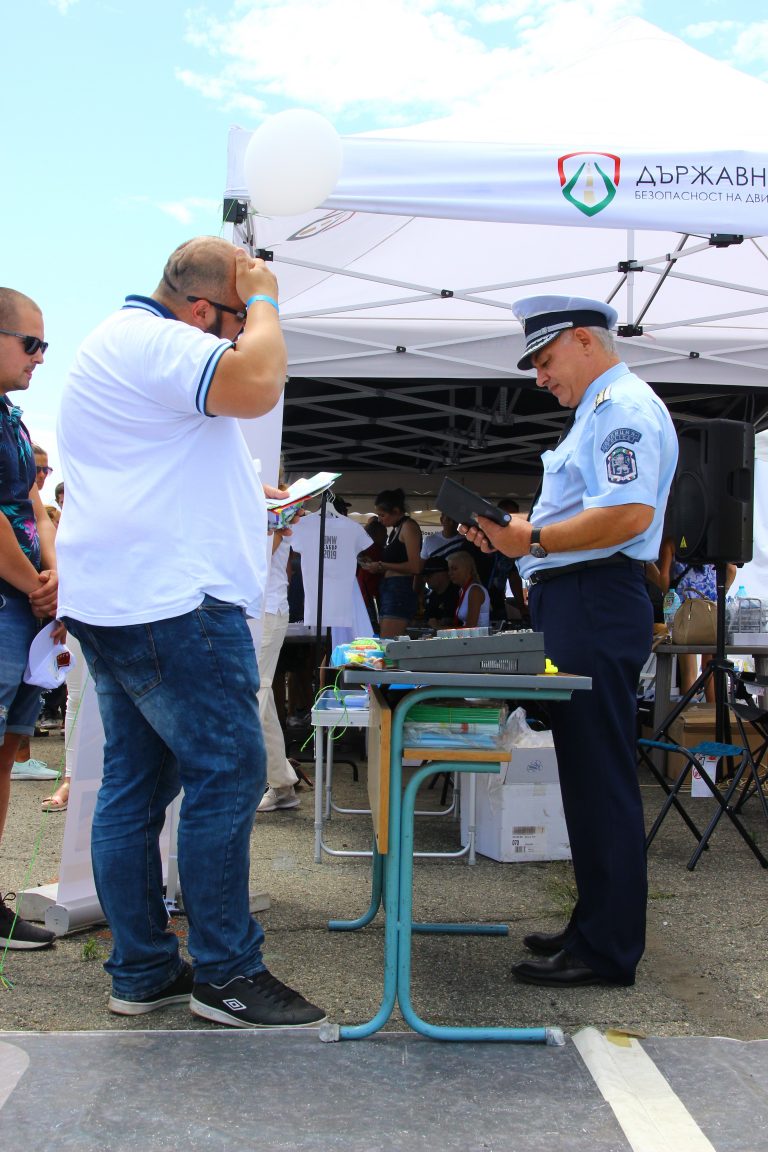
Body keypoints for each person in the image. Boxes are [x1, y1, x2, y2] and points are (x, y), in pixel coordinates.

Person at [55, 237, 325, 1028]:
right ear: (206, 307)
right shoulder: (158, 339)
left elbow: (170, 458)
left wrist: (251, 497)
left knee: (138, 787)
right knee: (231, 770)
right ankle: (227, 973)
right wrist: (268, 296)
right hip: (171, 602)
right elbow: (257, 384)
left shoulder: (125, 343)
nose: (244, 334)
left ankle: (142, 970)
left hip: (128, 596)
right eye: (237, 320)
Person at [461, 294, 677, 989]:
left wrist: (535, 538)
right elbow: (592, 510)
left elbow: (628, 514)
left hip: (595, 596)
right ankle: (593, 927)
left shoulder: (622, 411)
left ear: (585, 340)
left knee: (601, 777)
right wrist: (515, 534)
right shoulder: (600, 409)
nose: (539, 377)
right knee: (586, 776)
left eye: (546, 360)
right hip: (583, 596)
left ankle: (608, 948)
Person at [0, 287, 58, 949]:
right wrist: (35, 584)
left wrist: (49, 575)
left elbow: (30, 504)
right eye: (31, 342)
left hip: (21, 601)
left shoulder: (12, 416)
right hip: (9, 599)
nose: (41, 356)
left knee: (8, 756)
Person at [656, 537, 737, 702]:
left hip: (684, 610)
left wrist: (669, 595)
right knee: (711, 667)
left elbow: (663, 575)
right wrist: (720, 595)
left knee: (689, 672)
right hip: (709, 607)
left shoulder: (672, 541)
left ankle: (689, 719)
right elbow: (731, 569)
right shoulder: (714, 538)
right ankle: (712, 715)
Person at [254, 529, 301, 813]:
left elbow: (258, 552)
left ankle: (233, 783)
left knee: (252, 696)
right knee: (261, 694)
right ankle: (282, 784)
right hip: (259, 610)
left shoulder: (278, 506)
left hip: (267, 611)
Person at [364, 488, 422, 638]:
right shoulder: (396, 529)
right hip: (390, 589)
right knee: (386, 640)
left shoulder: (408, 527)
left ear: (396, 511)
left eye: (382, 515)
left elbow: (415, 566)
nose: (380, 520)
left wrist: (382, 566)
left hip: (399, 590)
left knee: (388, 643)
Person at [447, 549, 490, 628]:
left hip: (479, 639)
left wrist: (440, 628)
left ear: (467, 569)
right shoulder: (463, 590)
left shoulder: (475, 591)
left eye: (454, 569)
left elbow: (471, 627)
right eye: (449, 569)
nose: (450, 573)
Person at [422, 556, 460, 629]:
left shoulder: (458, 593)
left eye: (428, 575)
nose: (425, 579)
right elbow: (428, 621)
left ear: (443, 573)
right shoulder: (432, 596)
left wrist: (437, 624)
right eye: (424, 576)